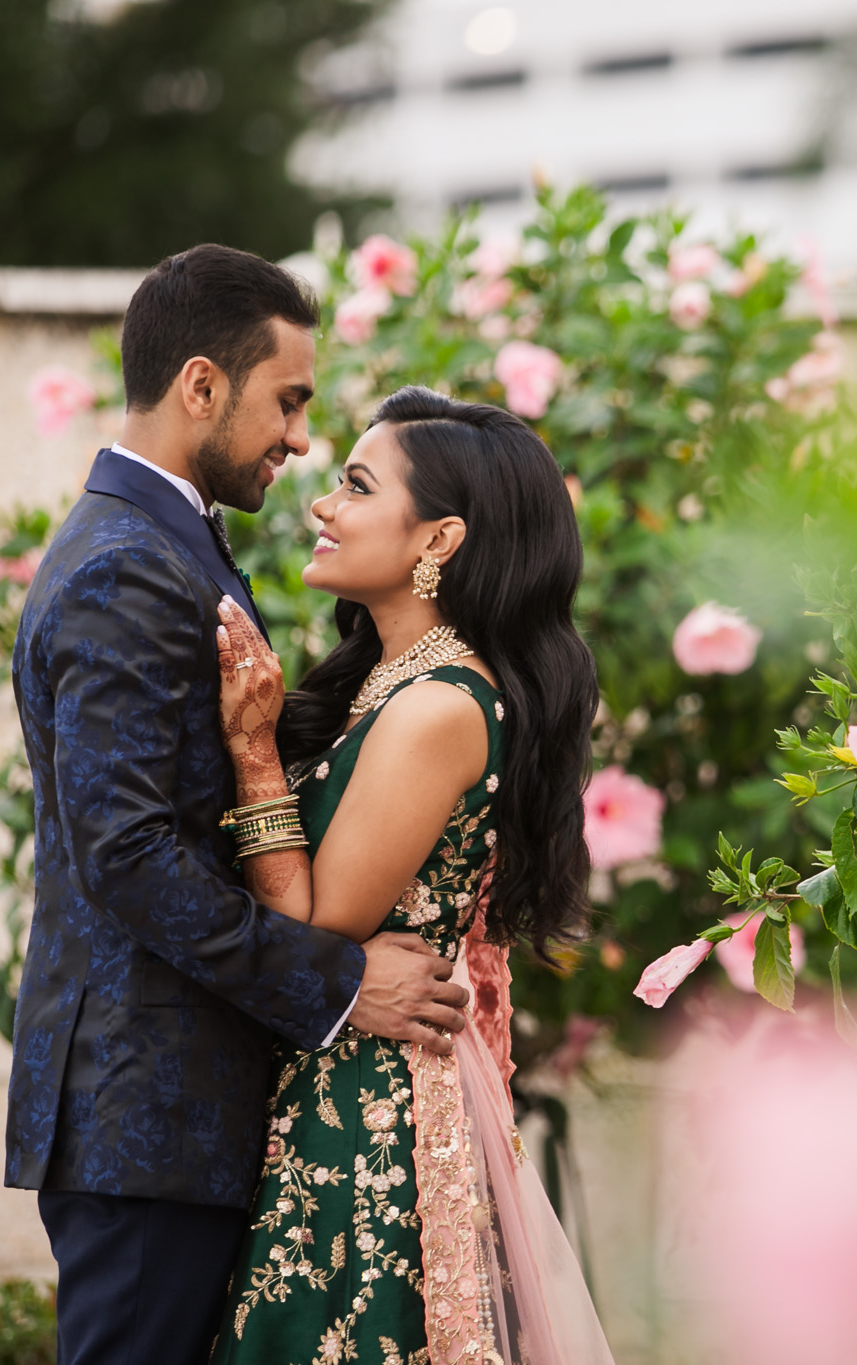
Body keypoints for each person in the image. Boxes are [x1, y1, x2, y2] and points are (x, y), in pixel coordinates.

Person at [6, 246, 476, 1365]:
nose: (303, 440)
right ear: (202, 386)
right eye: (290, 401)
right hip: (146, 1121)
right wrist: (342, 981)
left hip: (172, 1122)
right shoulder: (128, 565)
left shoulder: (169, 545)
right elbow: (127, 855)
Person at [204, 385, 611, 1365]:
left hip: (372, 1113)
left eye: (354, 485)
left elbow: (315, 915)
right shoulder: (387, 686)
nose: (321, 506)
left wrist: (254, 750)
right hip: (339, 1069)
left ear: (439, 540)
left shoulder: (438, 705)